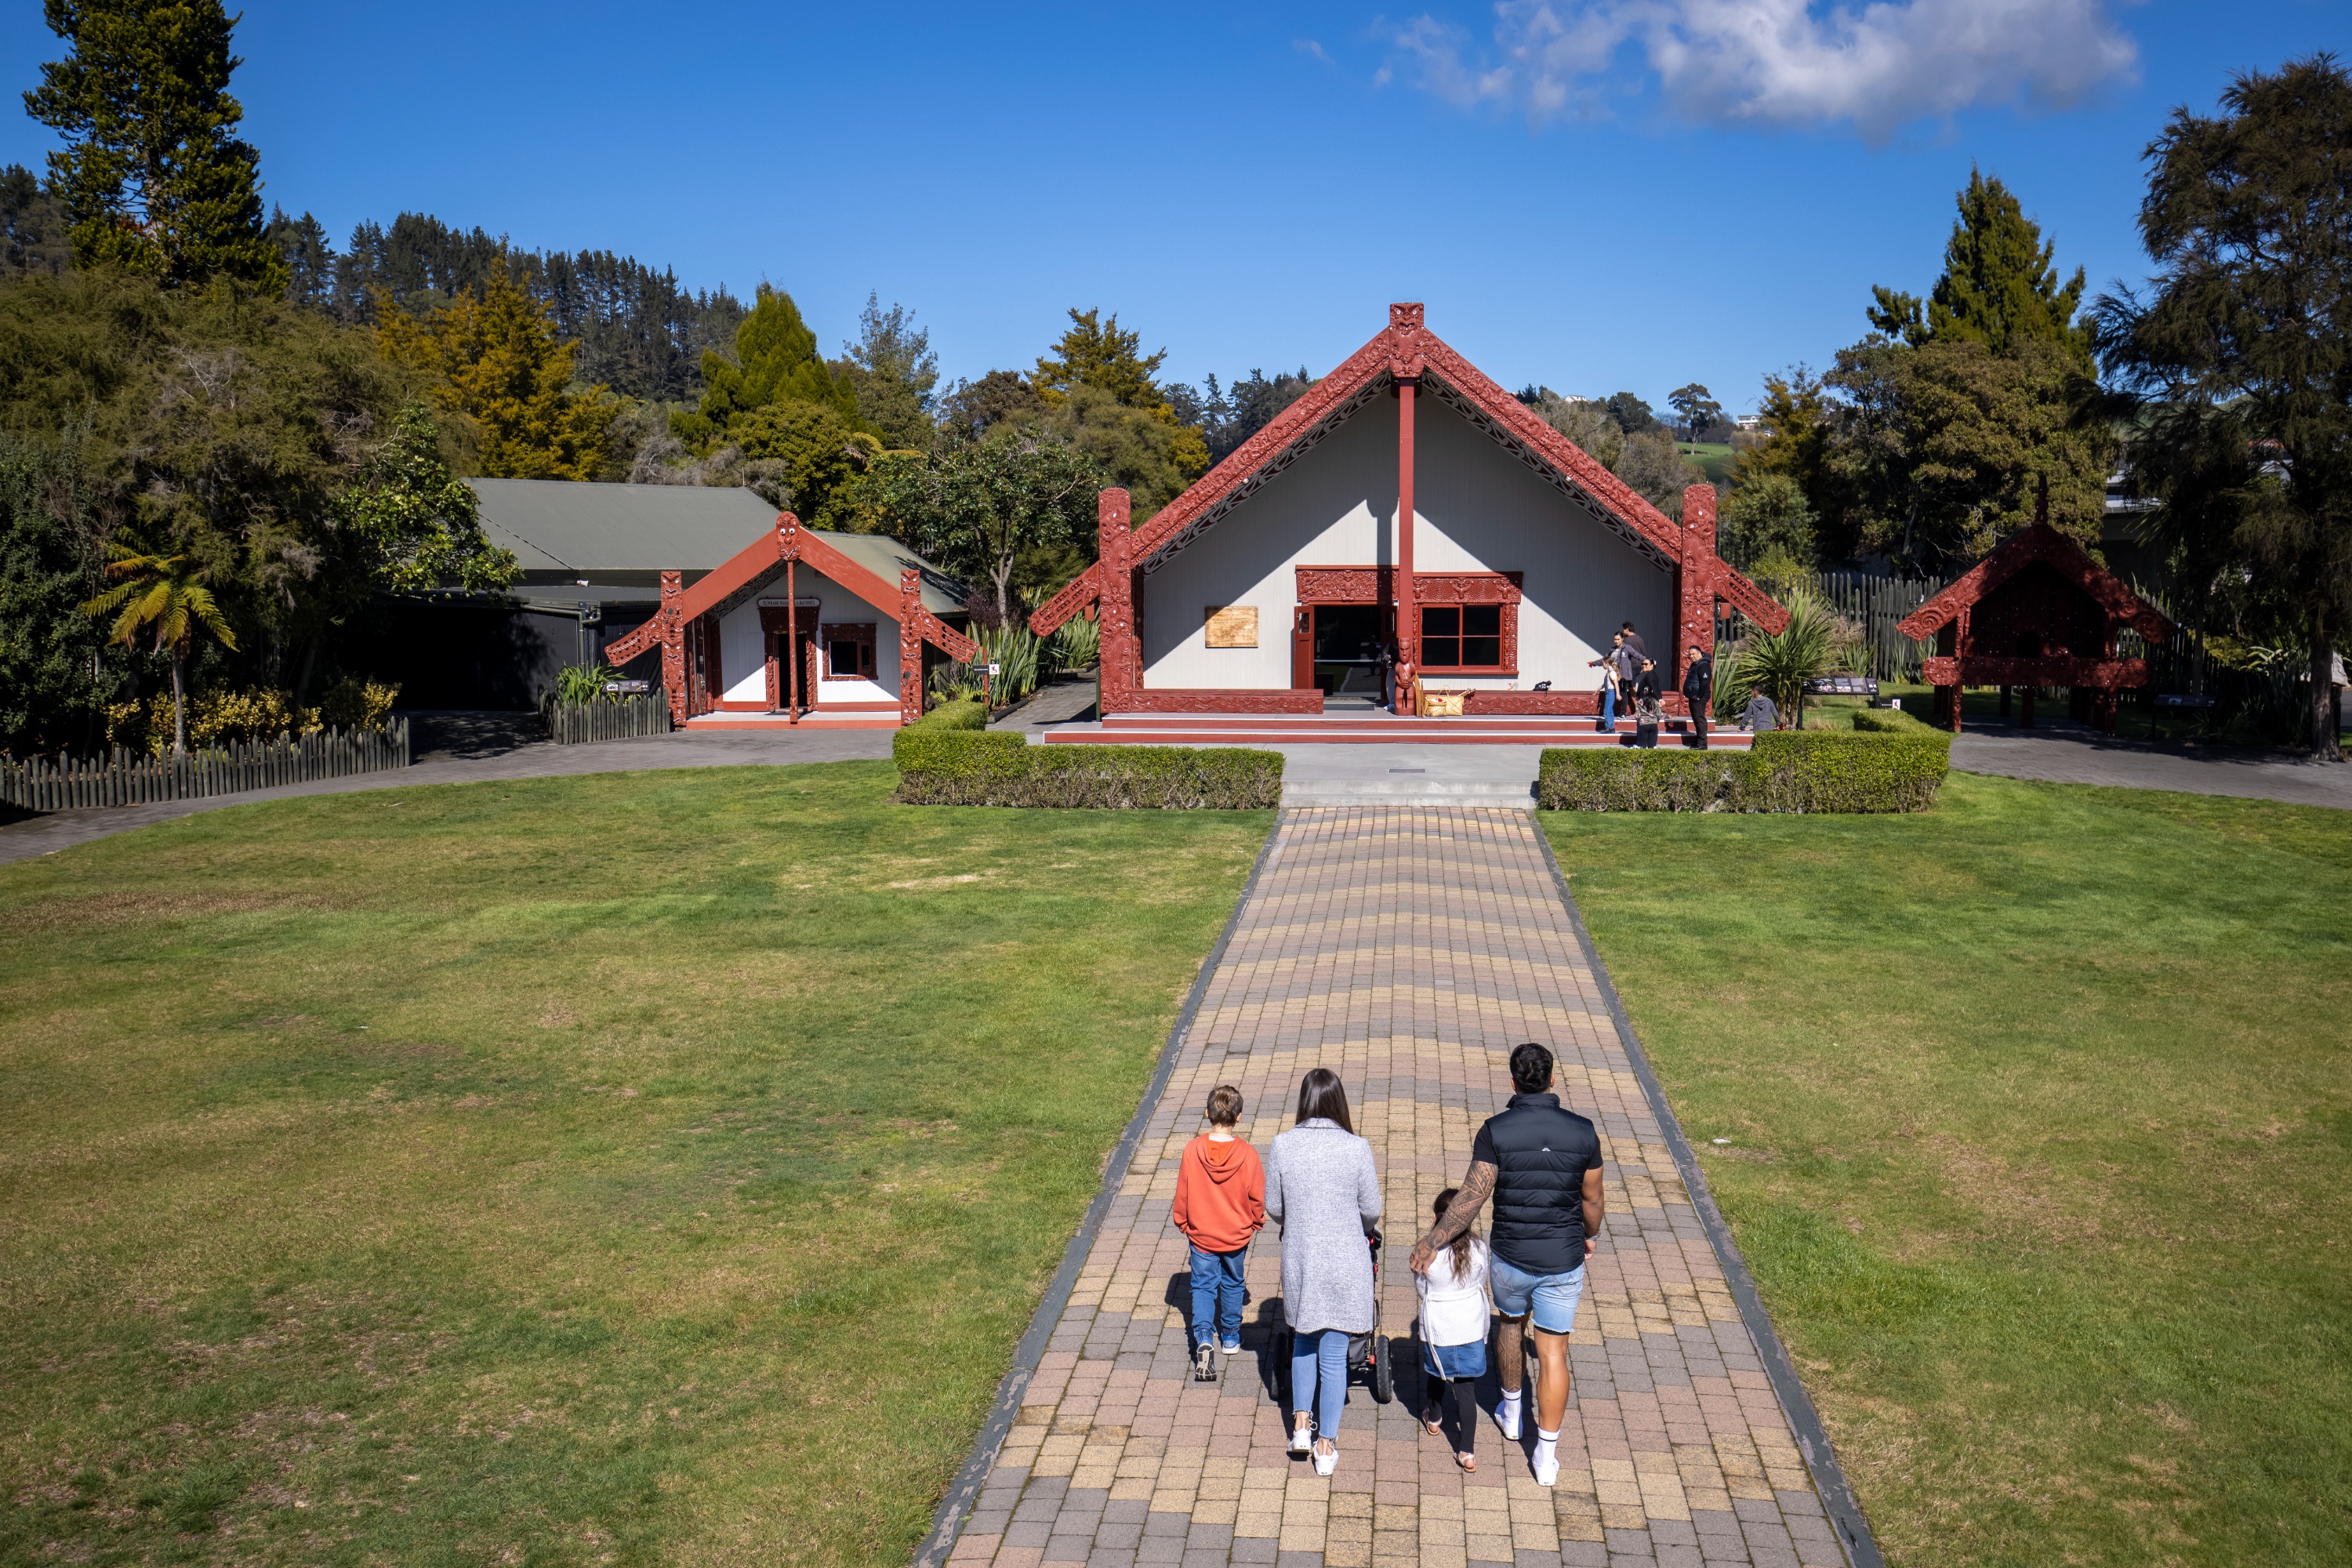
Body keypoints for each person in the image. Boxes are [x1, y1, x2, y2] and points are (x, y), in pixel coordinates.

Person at [1409, 1042, 1604, 1489]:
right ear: (1553, 1079)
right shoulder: (1584, 1132)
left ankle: (1512, 1411)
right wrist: (1588, 1235)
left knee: (1510, 1326)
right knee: (1553, 1353)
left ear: (1513, 1081)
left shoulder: (1496, 1130)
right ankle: (1547, 1456)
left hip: (1511, 1258)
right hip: (1562, 1258)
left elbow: (1471, 1198)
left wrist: (1433, 1241)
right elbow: (1592, 1199)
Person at [1264, 1067, 1381, 1477]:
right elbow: (1371, 1209)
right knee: (1334, 1355)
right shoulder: (1357, 1147)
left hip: (1302, 1258)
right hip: (1346, 1261)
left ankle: (1300, 1426)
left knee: (1303, 1344)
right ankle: (1326, 1444)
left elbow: (1274, 1208)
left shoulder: (1282, 1145)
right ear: (1338, 1103)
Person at [1174, 1083, 1265, 1380]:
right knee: (1233, 1283)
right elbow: (1257, 1197)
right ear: (1238, 1117)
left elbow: (1183, 1192)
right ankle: (1229, 1335)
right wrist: (1255, 1221)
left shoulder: (1192, 1150)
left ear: (1206, 1114)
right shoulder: (1248, 1155)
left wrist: (1183, 1222)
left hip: (1201, 1234)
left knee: (1202, 1285)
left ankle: (1203, 1337)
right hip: (1236, 1235)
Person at [1415, 1186, 1491, 1472]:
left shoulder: (1429, 1255)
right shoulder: (1480, 1249)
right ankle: (1467, 1452)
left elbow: (1422, 1290)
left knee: (1436, 1373)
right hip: (1470, 1329)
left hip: (1440, 1332)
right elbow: (1481, 1279)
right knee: (1466, 1392)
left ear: (1437, 1218)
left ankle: (1434, 1418)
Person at [1585, 633, 1626, 732]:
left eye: (1618, 639)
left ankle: (1609, 726)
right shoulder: (1609, 670)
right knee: (1609, 710)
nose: (1616, 641)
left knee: (1607, 710)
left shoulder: (1612, 672)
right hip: (1609, 692)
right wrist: (1597, 689)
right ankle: (1610, 727)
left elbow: (1616, 683)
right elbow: (1605, 684)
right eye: (1615, 639)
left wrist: (1617, 694)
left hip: (1612, 692)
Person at [1681, 644, 1714, 750]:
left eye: (1693, 654)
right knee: (1696, 718)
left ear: (1699, 653)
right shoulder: (1695, 664)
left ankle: (1702, 743)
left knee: (1699, 718)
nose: (1691, 656)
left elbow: (1705, 682)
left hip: (1699, 696)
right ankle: (1698, 739)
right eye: (1690, 655)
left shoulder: (1703, 665)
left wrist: (1699, 696)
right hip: (1693, 695)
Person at [1632, 658, 1662, 749]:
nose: (1643, 666)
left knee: (1643, 725)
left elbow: (1654, 688)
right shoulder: (1651, 675)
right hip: (1649, 703)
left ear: (1652, 665)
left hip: (1647, 704)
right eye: (1642, 664)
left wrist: (1659, 699)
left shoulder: (1650, 676)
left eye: (1646, 664)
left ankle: (1641, 744)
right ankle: (1650, 745)